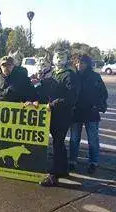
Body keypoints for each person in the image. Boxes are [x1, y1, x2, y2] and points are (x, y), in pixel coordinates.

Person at [38, 48, 79, 187]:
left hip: (62, 114)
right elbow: (47, 91)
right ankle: (62, 168)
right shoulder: (54, 73)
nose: (59, 59)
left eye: (62, 57)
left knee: (58, 142)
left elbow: (71, 97)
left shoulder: (69, 75)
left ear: (66, 58)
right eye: (57, 56)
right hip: (52, 113)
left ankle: (56, 172)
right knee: (57, 142)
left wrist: (53, 104)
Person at [69, 54, 108, 174]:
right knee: (74, 139)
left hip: (91, 112)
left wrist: (98, 106)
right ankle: (72, 161)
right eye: (77, 63)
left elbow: (103, 93)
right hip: (76, 112)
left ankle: (93, 162)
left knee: (93, 140)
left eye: (82, 63)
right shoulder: (73, 76)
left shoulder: (95, 76)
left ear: (87, 64)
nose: (79, 65)